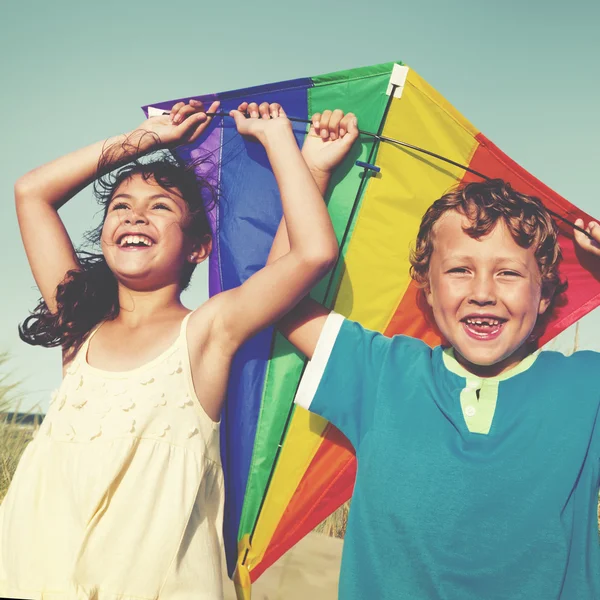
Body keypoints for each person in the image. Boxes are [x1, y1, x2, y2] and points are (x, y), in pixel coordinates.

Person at [0, 100, 357, 599]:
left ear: (198, 247)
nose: (135, 215)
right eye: (120, 206)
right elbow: (31, 192)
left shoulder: (208, 331)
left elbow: (312, 253)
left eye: (160, 207)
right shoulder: (79, 326)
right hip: (34, 575)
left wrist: (290, 147)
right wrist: (144, 139)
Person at [270, 109, 600, 599]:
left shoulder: (585, 386)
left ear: (545, 294)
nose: (483, 292)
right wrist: (313, 168)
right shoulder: (382, 372)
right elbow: (278, 295)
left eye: (508, 273)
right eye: (460, 271)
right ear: (425, 289)